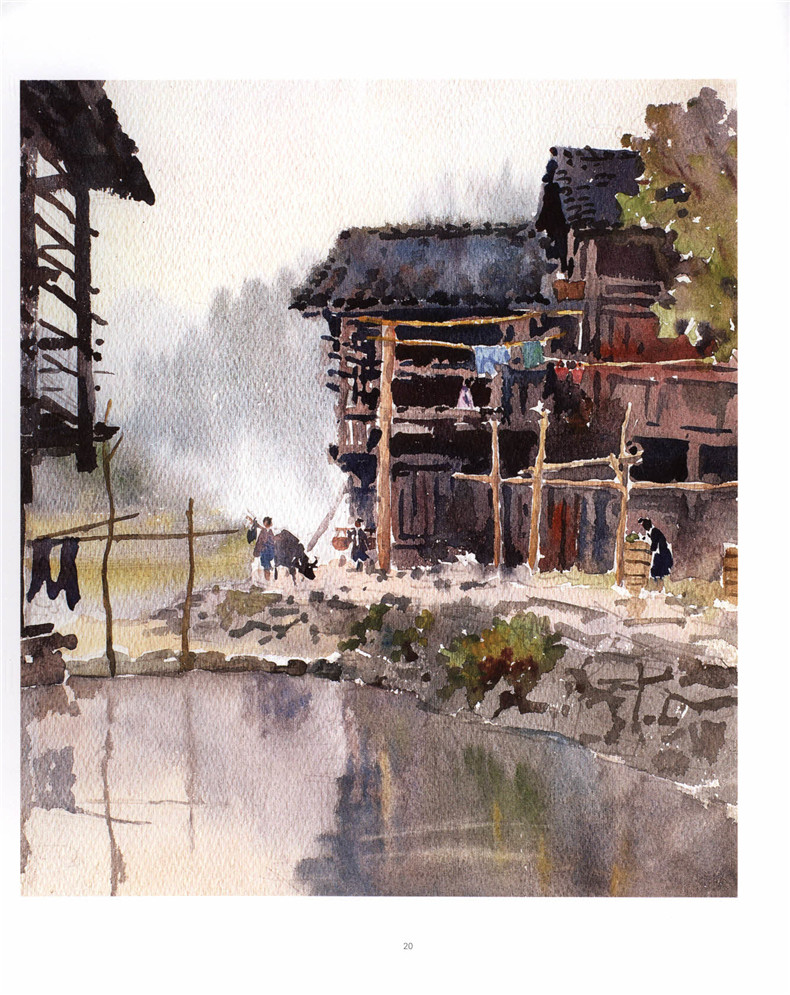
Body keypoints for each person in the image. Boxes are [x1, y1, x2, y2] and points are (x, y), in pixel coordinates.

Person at [638, 517, 673, 581]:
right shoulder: (652, 532)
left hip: (662, 552)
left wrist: (650, 550)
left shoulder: (654, 532)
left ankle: (659, 579)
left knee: (660, 567)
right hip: (660, 552)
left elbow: (654, 544)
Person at [253, 516, 276, 581]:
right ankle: (268, 574)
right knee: (265, 565)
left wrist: (258, 549)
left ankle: (268, 577)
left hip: (267, 551)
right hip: (268, 551)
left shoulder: (268, 531)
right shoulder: (267, 531)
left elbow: (260, 541)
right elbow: (260, 541)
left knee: (265, 566)